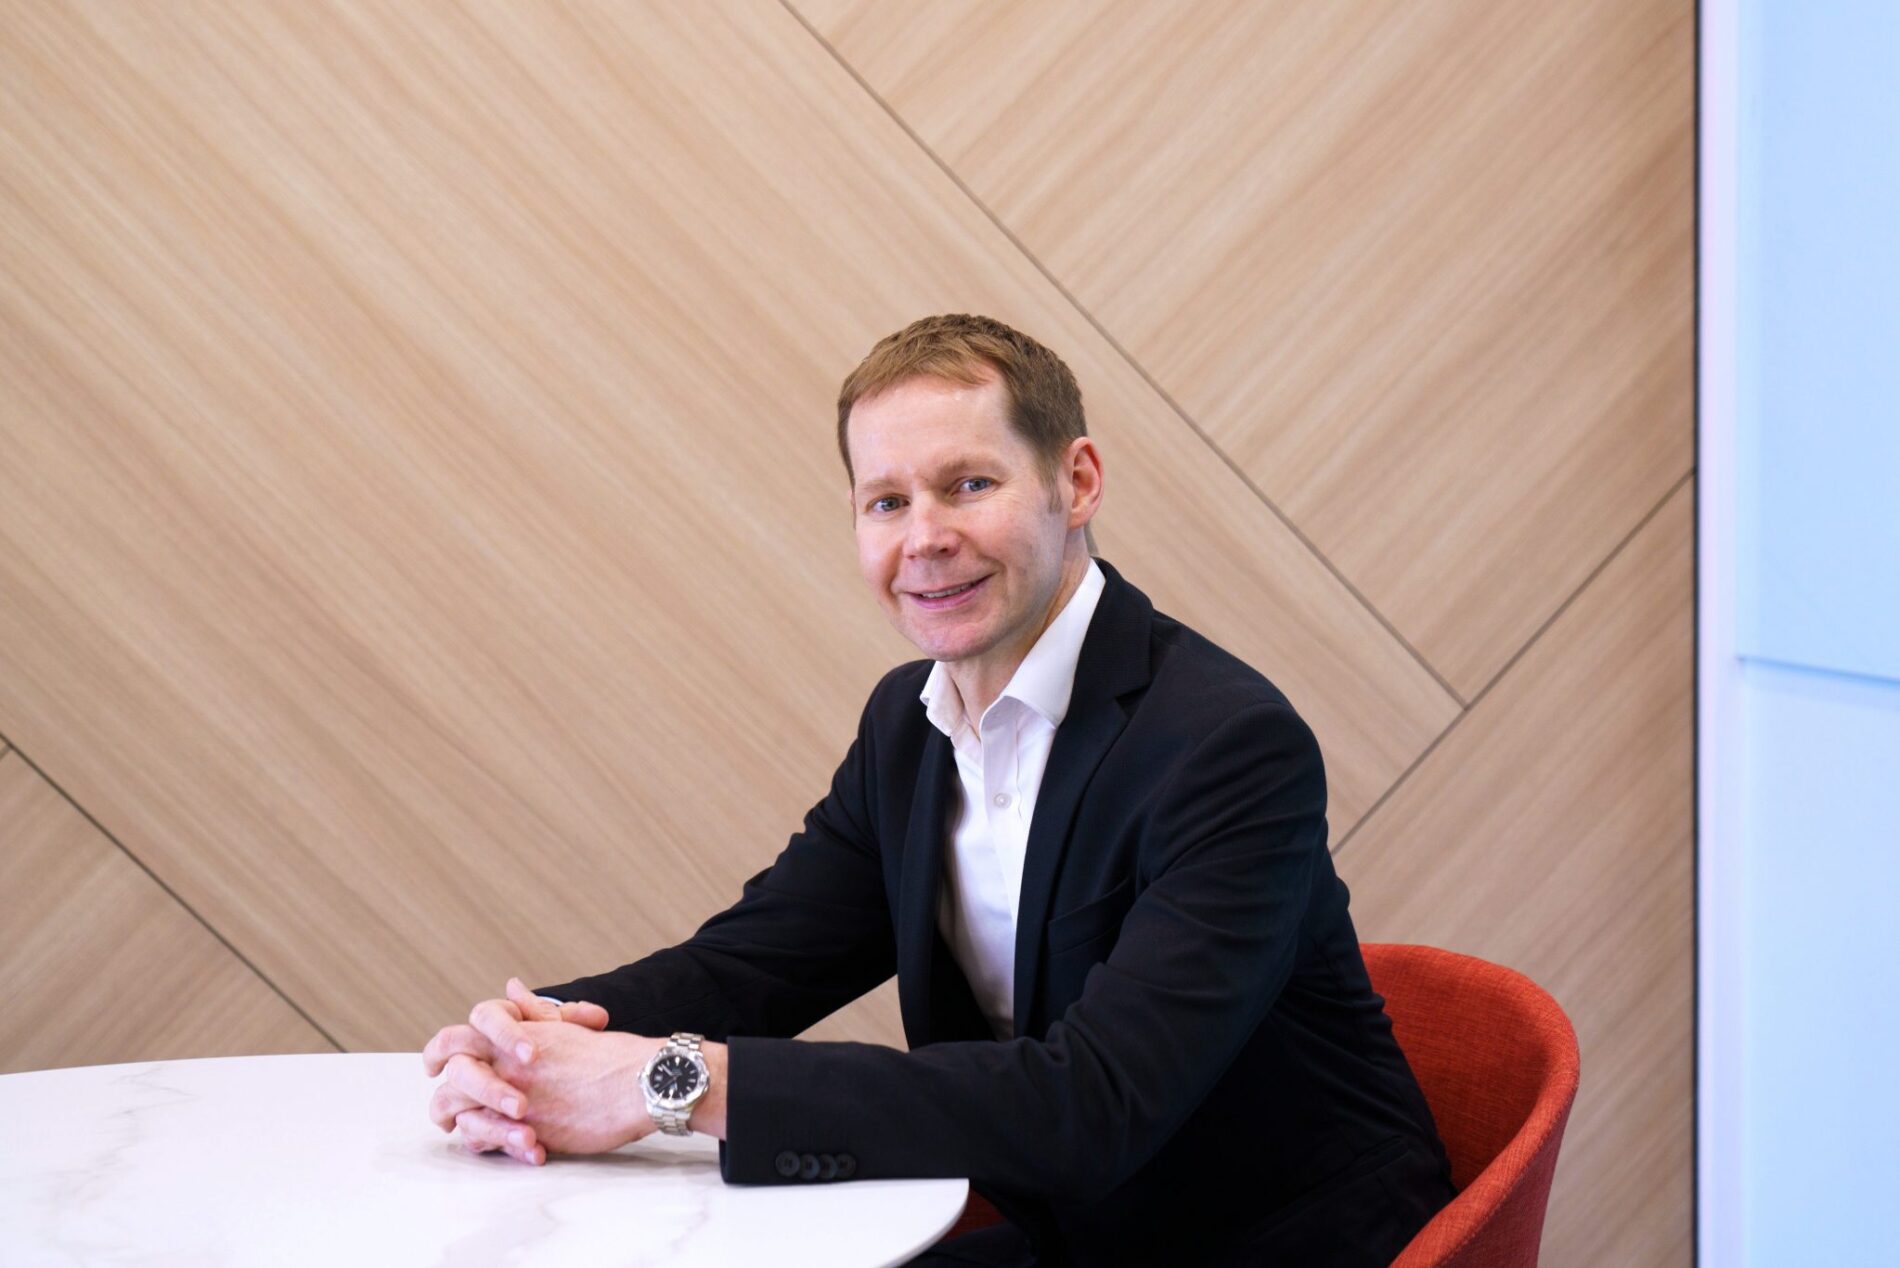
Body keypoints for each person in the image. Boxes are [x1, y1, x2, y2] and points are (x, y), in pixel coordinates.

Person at [422, 314, 1453, 1265]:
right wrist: (537, 1037)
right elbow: (753, 965)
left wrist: (664, 1083)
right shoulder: (904, 729)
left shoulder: (1225, 743)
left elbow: (1093, 1101)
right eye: (887, 501)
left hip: (1277, 1240)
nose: (923, 538)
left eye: (967, 485)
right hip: (1083, 1233)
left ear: (1077, 479)